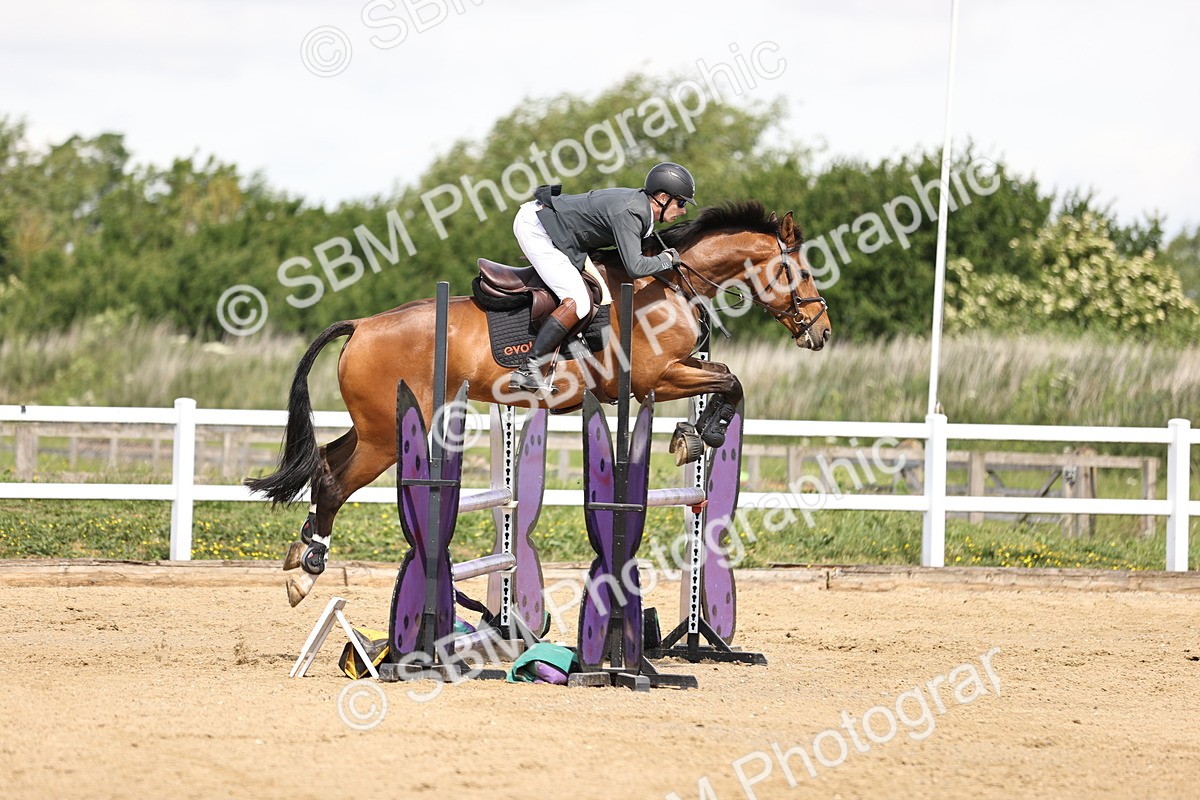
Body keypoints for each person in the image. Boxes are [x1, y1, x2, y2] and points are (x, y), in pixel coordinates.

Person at [509, 161, 697, 392]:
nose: (683, 210)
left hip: (555, 229)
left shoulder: (640, 210)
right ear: (661, 197)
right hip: (537, 228)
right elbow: (635, 267)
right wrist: (667, 260)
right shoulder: (632, 211)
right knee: (578, 301)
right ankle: (529, 369)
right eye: (680, 203)